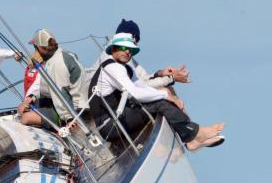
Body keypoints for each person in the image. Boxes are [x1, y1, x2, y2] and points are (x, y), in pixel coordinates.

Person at [89, 34, 224, 152]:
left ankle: (191, 137)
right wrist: (166, 95)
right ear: (113, 49)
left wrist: (166, 93)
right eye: (124, 48)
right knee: (160, 101)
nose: (128, 52)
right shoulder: (113, 67)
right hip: (110, 126)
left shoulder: (125, 67)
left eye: (131, 50)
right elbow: (136, 94)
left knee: (161, 96)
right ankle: (195, 135)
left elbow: (141, 86)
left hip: (119, 117)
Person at [18, 29, 86, 129]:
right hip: (60, 105)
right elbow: (48, 87)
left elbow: (61, 93)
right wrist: (31, 99)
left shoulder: (57, 64)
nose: (36, 51)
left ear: (42, 48)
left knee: (26, 118)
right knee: (21, 109)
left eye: (36, 48)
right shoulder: (58, 55)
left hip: (74, 112)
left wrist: (69, 120)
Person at [95, 20, 190, 92]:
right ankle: (182, 118)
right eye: (135, 40)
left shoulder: (123, 56)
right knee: (165, 91)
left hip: (120, 98)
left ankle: (182, 118)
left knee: (165, 89)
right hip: (108, 104)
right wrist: (171, 79)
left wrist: (160, 74)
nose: (136, 45)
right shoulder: (112, 57)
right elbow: (138, 86)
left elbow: (142, 79)